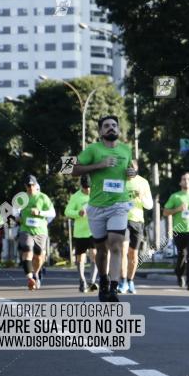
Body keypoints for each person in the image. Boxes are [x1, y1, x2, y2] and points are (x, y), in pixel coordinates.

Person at [71, 115, 135, 302]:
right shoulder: (92, 149)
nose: (111, 128)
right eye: (106, 126)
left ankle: (114, 288)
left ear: (118, 130)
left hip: (119, 205)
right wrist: (100, 165)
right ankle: (104, 279)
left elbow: (130, 170)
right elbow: (74, 170)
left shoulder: (126, 150)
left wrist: (132, 173)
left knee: (115, 243)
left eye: (114, 125)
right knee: (101, 250)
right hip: (97, 207)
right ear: (100, 132)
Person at [118, 161, 152, 294]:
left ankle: (130, 281)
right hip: (122, 220)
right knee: (123, 251)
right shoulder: (119, 181)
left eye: (132, 166)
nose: (130, 168)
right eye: (127, 166)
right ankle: (122, 281)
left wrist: (141, 197)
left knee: (134, 254)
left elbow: (149, 205)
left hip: (137, 221)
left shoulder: (143, 182)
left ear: (137, 168)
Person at [16, 175, 55, 290]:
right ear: (25, 186)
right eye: (28, 185)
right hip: (25, 229)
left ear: (35, 184)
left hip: (40, 231)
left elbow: (52, 213)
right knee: (27, 249)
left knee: (38, 256)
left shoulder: (43, 198)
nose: (30, 187)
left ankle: (36, 273)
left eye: (32, 185)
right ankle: (30, 278)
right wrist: (17, 216)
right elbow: (15, 211)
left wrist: (40, 212)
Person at [64, 174, 99, 292]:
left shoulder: (96, 194)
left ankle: (92, 281)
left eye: (89, 187)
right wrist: (78, 213)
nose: (88, 190)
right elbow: (67, 211)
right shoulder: (75, 197)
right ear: (81, 186)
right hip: (80, 232)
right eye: (85, 188)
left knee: (94, 254)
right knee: (81, 258)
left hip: (94, 229)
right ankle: (82, 280)